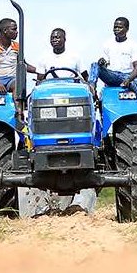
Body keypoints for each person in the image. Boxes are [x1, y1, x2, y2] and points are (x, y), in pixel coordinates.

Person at [37, 27, 96, 215]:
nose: (55, 40)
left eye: (58, 37)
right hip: (48, 90)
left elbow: (84, 79)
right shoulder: (44, 59)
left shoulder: (75, 57)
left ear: (65, 39)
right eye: (52, 37)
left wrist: (90, 87)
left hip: (74, 91)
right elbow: (39, 81)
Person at [88, 17, 137, 128]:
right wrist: (101, 62)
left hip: (128, 75)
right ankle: (91, 89)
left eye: (119, 27)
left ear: (126, 29)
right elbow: (104, 62)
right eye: (115, 27)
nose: (116, 29)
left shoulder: (133, 45)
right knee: (95, 65)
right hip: (112, 75)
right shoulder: (108, 44)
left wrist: (129, 79)